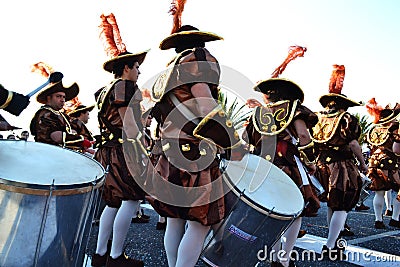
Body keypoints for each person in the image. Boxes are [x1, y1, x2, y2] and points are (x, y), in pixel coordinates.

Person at [147, 19, 243, 266]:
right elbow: (207, 105)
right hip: (194, 152)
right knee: (201, 222)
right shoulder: (196, 61)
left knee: (175, 219)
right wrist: (233, 142)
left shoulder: (168, 72)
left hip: (169, 150)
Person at [91, 13, 148, 267]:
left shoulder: (105, 89)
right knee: (131, 199)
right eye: (136, 67)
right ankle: (115, 258)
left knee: (112, 203)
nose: (139, 71)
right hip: (122, 151)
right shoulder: (125, 86)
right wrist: (143, 141)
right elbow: (128, 125)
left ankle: (101, 254)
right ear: (126, 68)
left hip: (108, 150)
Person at [244, 78, 319, 267]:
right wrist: (310, 161)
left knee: (273, 210)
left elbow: (247, 138)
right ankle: (285, 258)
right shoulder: (294, 109)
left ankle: (274, 255)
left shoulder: (258, 112)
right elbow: (303, 136)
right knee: (295, 210)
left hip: (263, 163)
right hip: (287, 163)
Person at [312, 65, 367, 260]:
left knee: (331, 204)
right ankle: (330, 246)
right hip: (342, 166)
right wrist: (362, 163)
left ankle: (331, 241)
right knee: (342, 205)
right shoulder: (346, 118)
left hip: (322, 164)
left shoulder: (318, 118)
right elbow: (353, 143)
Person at [365, 99, 400, 229]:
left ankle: (378, 220)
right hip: (390, 162)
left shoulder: (375, 129)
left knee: (379, 192)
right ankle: (395, 218)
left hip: (374, 161)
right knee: (398, 191)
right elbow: (397, 149)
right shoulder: (395, 128)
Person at [29, 78, 90, 150]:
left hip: (62, 154)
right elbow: (56, 136)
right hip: (48, 153)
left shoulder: (63, 116)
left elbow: (75, 128)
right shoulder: (44, 113)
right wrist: (80, 140)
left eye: (64, 97)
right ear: (49, 98)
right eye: (58, 96)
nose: (62, 100)